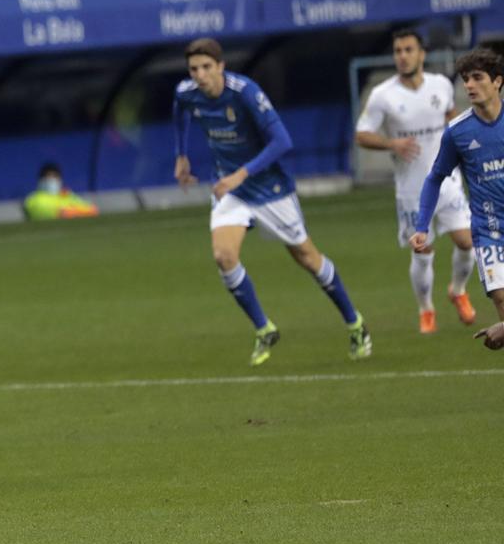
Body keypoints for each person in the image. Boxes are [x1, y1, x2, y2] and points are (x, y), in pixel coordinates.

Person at [174, 37, 369, 365]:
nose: (200, 74)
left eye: (207, 67)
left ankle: (355, 323)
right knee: (223, 256)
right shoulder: (186, 92)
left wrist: (242, 174)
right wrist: (181, 155)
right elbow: (179, 110)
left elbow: (282, 141)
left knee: (307, 258)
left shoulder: (244, 92)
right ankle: (264, 328)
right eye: (194, 68)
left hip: (269, 189)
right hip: (230, 189)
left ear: (220, 66)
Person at [355, 28, 478, 333]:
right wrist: (390, 144)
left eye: (408, 49)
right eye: (398, 51)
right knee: (423, 251)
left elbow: (452, 117)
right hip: (411, 190)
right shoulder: (383, 95)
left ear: (421, 54)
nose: (402, 56)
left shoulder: (440, 85)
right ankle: (426, 309)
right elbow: (362, 134)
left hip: (447, 181)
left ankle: (458, 290)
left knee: (468, 243)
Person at [414, 48, 504, 329]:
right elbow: (434, 177)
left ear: (498, 81)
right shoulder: (457, 132)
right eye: (466, 79)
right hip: (490, 231)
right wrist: (422, 225)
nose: (469, 85)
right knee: (501, 298)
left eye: (477, 78)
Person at [22, 162, 98, 220]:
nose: (52, 181)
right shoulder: (34, 199)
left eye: (55, 177)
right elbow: (55, 214)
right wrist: (74, 212)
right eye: (48, 177)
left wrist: (72, 212)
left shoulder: (67, 195)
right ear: (41, 180)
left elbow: (91, 210)